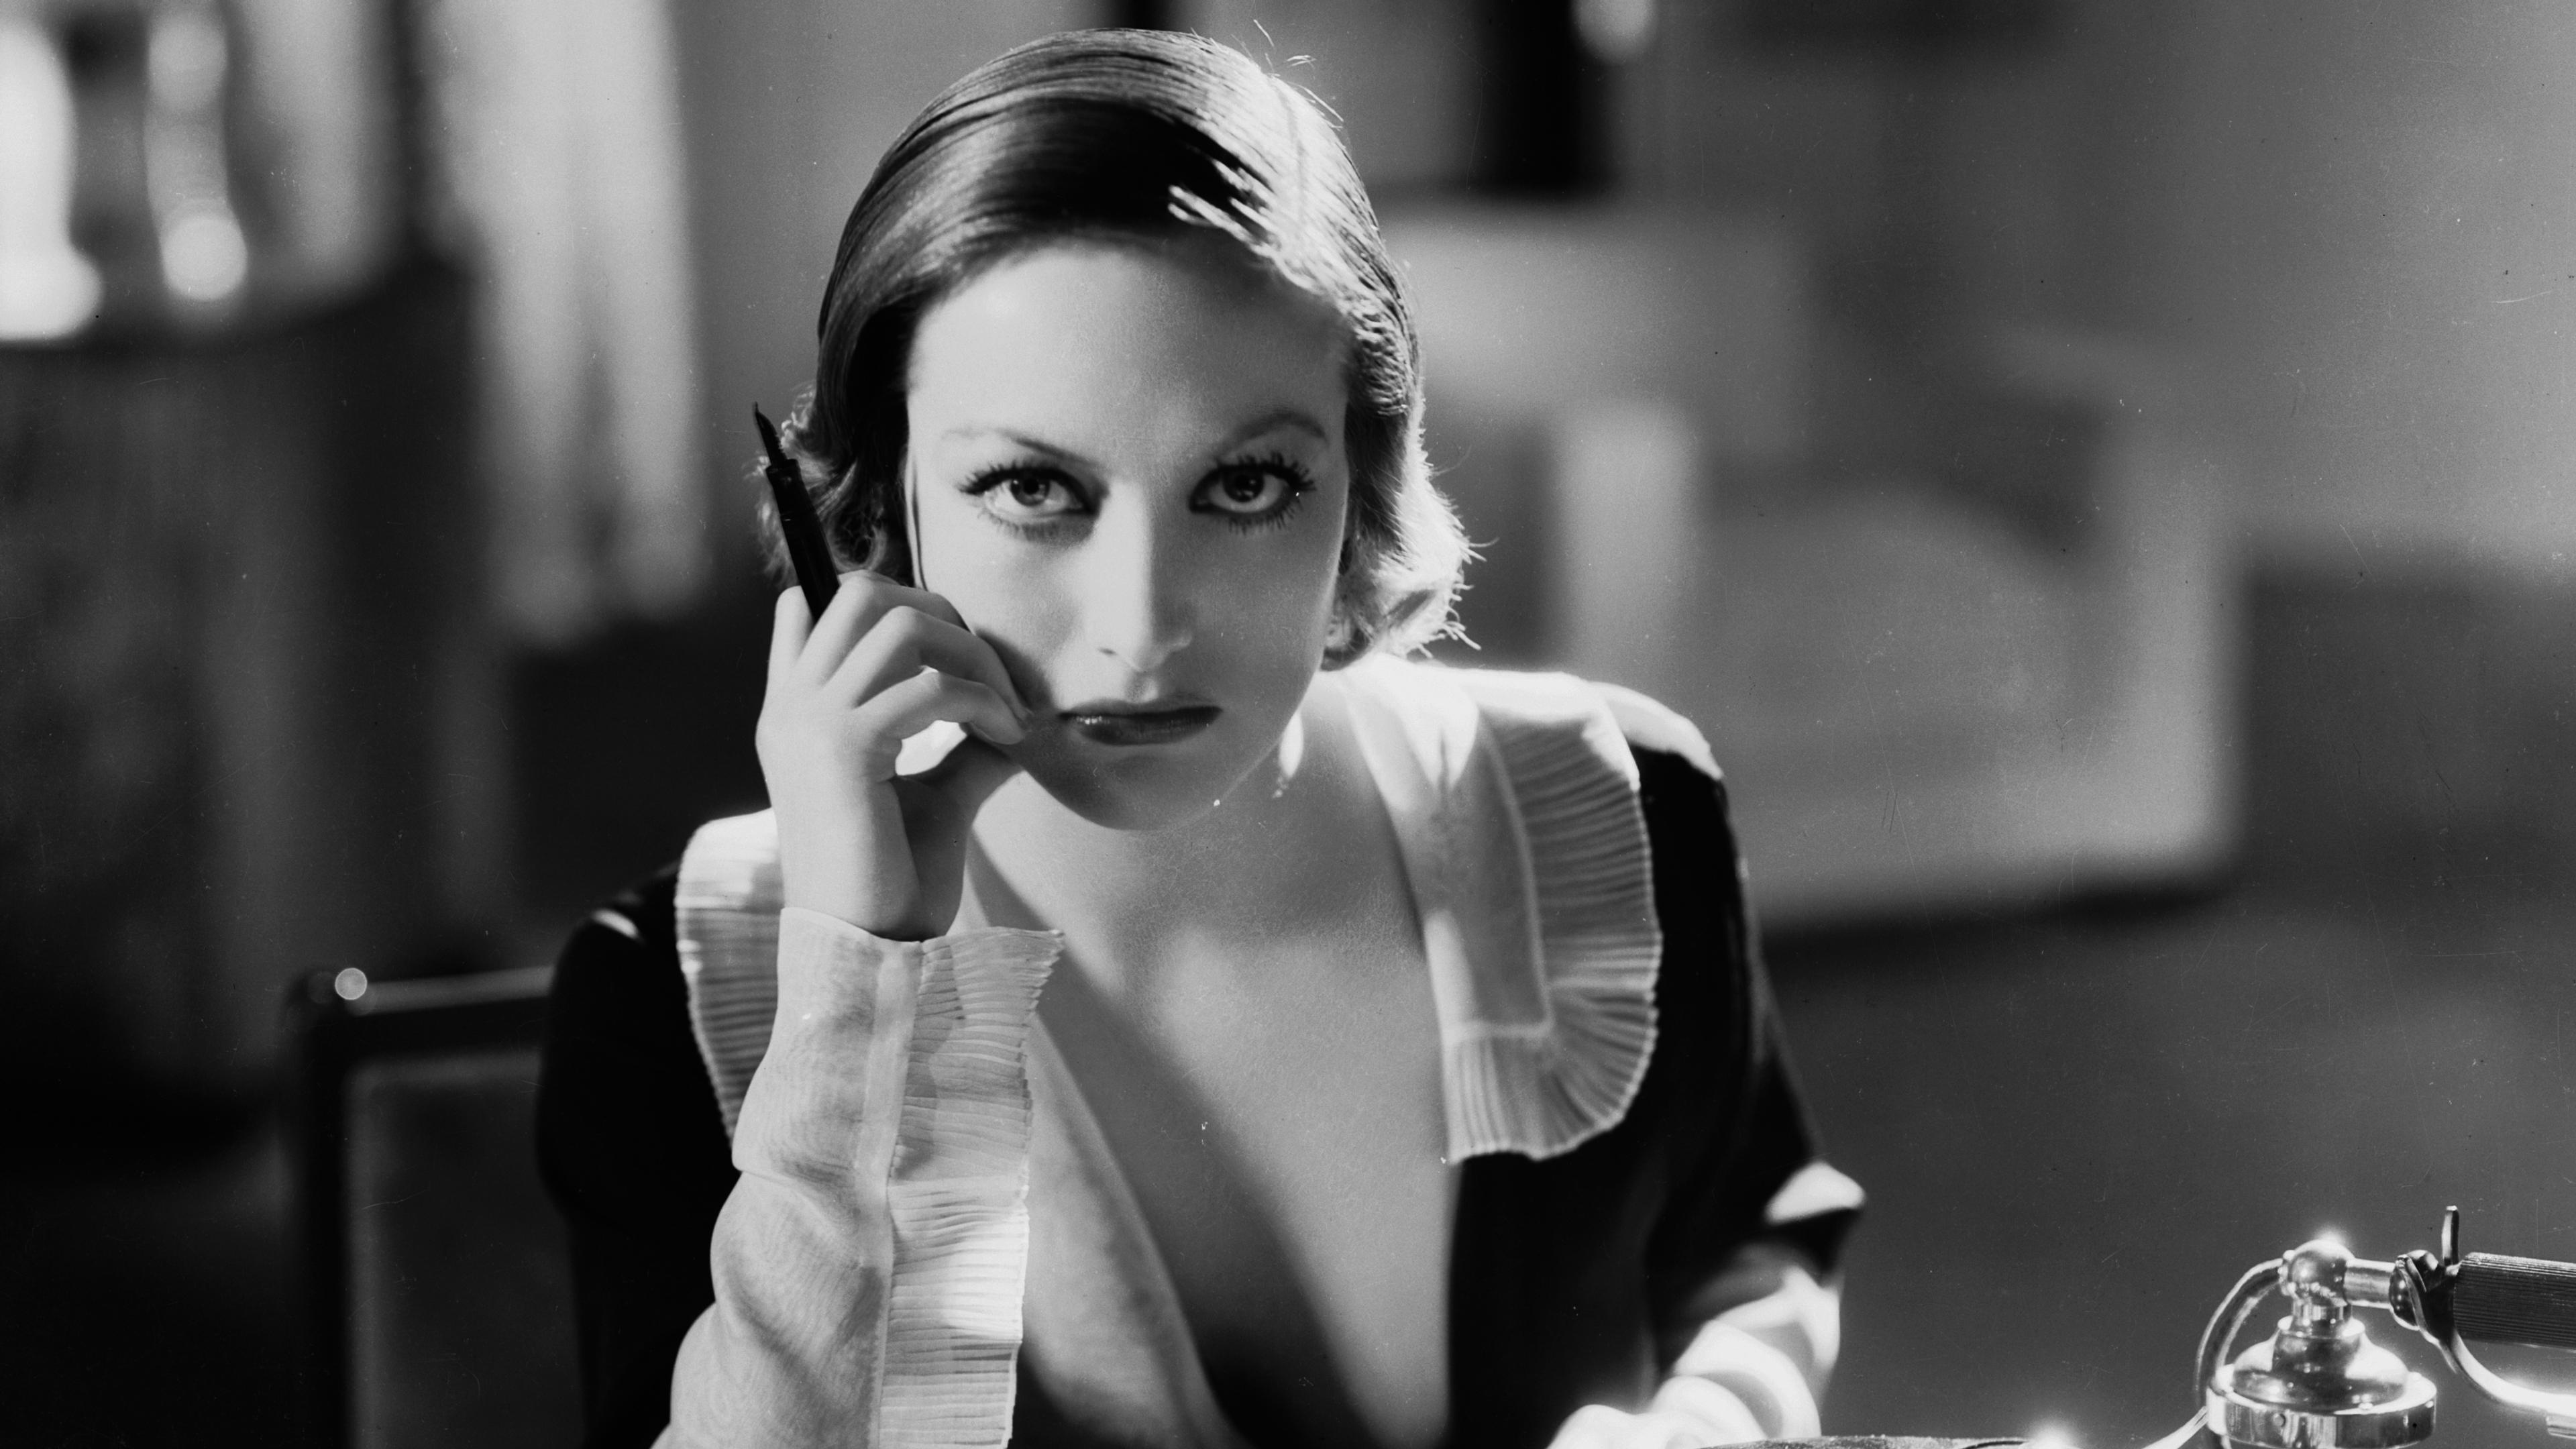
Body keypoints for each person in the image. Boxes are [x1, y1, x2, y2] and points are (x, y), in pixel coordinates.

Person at [537, 27, 1861, 1449]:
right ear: (874, 517)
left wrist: (1715, 1424)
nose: (1142, 626)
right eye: (1035, 489)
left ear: (1357, 487)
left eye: (1241, 484)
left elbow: (1753, 1248)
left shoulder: (1611, 813)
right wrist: (857, 984)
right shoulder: (676, 992)